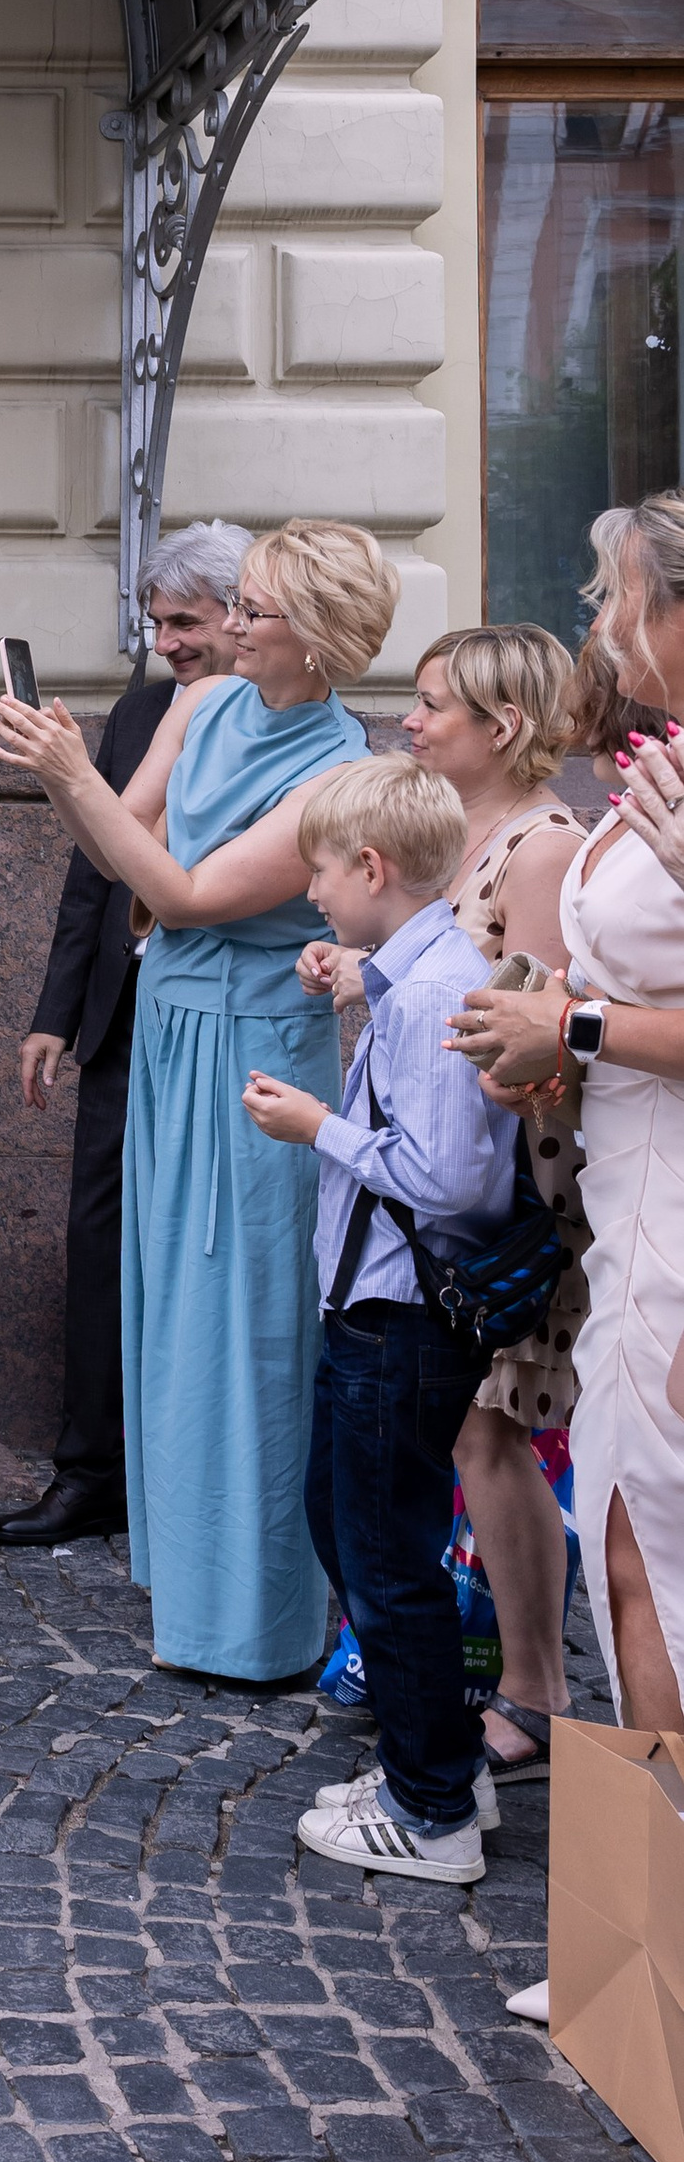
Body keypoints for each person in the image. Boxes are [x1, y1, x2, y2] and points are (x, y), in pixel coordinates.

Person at [0, 517, 398, 1680]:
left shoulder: (336, 772)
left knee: (250, 1326)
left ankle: (260, 1622)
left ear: (315, 639)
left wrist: (81, 781)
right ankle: (190, 1588)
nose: (224, 627)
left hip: (256, 1057)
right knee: (171, 1312)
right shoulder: (205, 704)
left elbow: (176, 889)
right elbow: (122, 848)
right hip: (171, 1034)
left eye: (249, 611)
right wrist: (65, 775)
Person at [240, 757, 520, 1881]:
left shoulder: (440, 989)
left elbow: (451, 1182)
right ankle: (441, 1757)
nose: (309, 891)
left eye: (319, 869)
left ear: (370, 866)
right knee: (350, 1525)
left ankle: (431, 1809)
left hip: (399, 1316)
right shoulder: (413, 972)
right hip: (374, 1311)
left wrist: (319, 1127)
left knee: (384, 1555)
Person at [339, 624, 585, 1787]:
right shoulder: (458, 833)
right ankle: (471, 1675)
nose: (411, 719)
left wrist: (420, 993)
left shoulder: (542, 845)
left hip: (510, 1196)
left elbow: (532, 1042)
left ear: (502, 726)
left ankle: (536, 1693)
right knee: (473, 1433)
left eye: (433, 704)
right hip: (448, 1194)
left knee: (495, 1432)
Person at [454, 494, 684, 1736]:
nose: (599, 619)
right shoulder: (661, 762)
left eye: (617, 594)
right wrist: (544, 1026)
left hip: (676, 1213)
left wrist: (575, 1029)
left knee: (652, 1556)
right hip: (622, 1197)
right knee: (625, 1540)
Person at [0, 521, 249, 1551]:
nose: (167, 641)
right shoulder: (143, 707)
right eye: (156, 621)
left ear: (244, 613)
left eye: (185, 620)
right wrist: (54, 1014)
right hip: (117, 1013)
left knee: (202, 1252)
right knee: (98, 1240)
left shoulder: (283, 720)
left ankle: (187, 1475)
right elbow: (87, 874)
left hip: (223, 1014)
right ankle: (88, 1472)